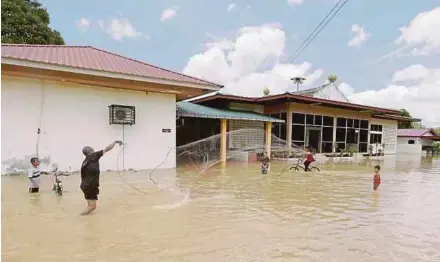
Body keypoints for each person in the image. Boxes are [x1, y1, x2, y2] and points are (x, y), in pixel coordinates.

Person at [80, 140, 123, 215]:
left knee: (90, 205)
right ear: (90, 151)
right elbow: (107, 149)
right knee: (92, 207)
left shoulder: (85, 161)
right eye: (92, 149)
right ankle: (79, 218)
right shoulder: (93, 156)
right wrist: (115, 142)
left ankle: (87, 220)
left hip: (85, 185)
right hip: (90, 185)